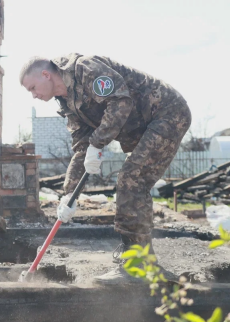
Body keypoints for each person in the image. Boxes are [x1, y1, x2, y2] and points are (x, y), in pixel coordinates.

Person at [19, 54, 191, 284]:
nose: (34, 95)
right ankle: (142, 263)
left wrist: (98, 142)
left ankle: (137, 264)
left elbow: (120, 101)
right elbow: (82, 148)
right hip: (145, 125)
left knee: (132, 178)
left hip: (166, 113)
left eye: (33, 87)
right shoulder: (68, 103)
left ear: (45, 75)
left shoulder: (84, 69)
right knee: (132, 179)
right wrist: (68, 194)